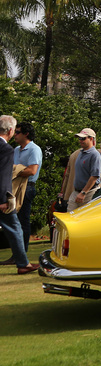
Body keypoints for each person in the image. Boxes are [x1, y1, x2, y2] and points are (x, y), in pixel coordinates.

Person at [0, 115, 38, 274]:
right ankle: (23, 264)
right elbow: (3, 176)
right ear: (10, 130)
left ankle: (23, 262)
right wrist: (4, 199)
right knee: (15, 228)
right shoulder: (6, 149)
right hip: (1, 198)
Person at [12, 121, 42, 251]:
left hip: (27, 187)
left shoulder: (34, 149)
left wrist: (15, 171)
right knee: (14, 221)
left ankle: (22, 253)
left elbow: (32, 171)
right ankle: (17, 253)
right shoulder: (16, 150)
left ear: (26, 134)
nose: (14, 135)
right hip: (15, 187)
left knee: (23, 221)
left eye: (17, 132)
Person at [68, 128, 101, 212]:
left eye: (83, 138)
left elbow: (94, 176)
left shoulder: (95, 155)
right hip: (76, 192)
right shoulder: (81, 152)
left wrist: (83, 192)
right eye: (79, 138)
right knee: (69, 216)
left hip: (88, 193)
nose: (80, 141)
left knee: (84, 218)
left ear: (91, 139)